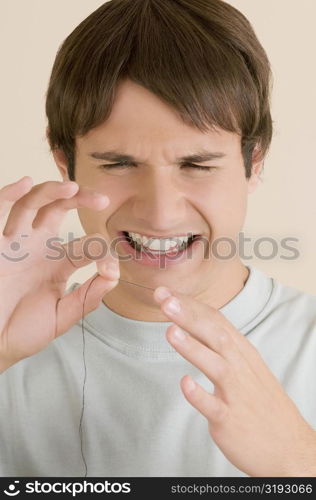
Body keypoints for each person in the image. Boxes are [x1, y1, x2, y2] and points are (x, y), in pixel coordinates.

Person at [0, 0, 316, 478]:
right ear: (65, 162)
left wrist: (298, 461)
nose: (161, 212)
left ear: (256, 161)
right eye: (119, 164)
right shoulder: (13, 349)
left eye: (197, 165)